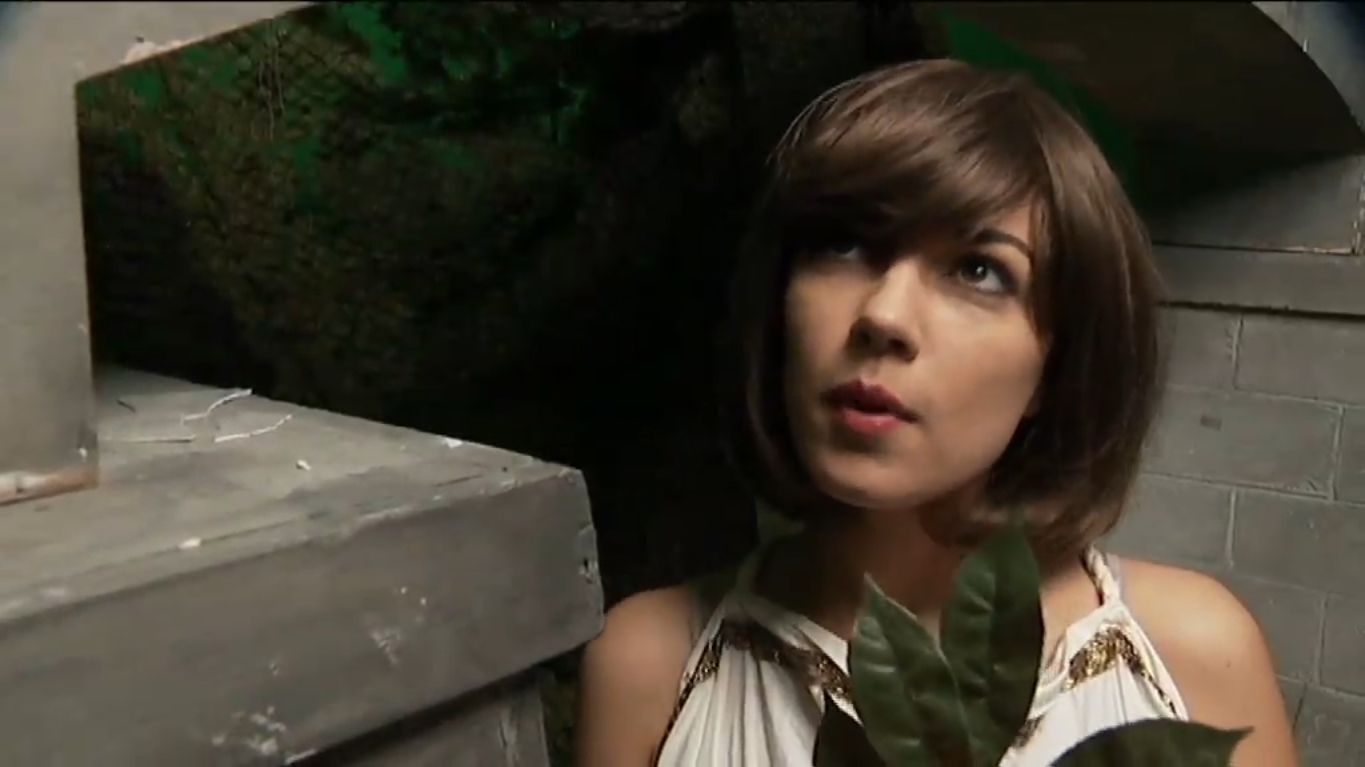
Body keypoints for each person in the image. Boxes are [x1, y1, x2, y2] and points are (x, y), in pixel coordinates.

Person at [574, 59, 1297, 767]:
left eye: (978, 270)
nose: (883, 315)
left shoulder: (1195, 657)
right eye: (844, 243)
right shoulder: (647, 664)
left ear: (1057, 367)